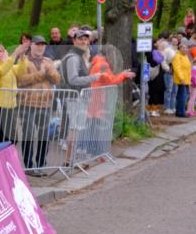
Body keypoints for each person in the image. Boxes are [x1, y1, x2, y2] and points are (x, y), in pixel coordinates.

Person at [15, 35, 60, 174]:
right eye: (37, 44)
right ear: (31, 45)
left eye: (43, 45)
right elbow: (21, 80)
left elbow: (57, 79)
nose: (40, 47)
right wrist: (42, 74)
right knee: (28, 134)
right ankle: (29, 166)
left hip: (45, 103)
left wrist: (50, 70)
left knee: (44, 136)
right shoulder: (23, 60)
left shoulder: (48, 61)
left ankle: (40, 164)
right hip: (27, 103)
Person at [60, 28, 103, 164]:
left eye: (85, 39)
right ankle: (70, 160)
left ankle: (70, 160)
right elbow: (73, 79)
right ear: (74, 41)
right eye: (80, 39)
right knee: (75, 128)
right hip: (75, 96)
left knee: (76, 128)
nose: (83, 41)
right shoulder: (73, 57)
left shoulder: (79, 56)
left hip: (78, 96)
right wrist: (93, 77)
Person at [85, 45, 134, 155]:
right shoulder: (103, 64)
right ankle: (94, 151)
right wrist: (123, 75)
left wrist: (122, 75)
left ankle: (91, 150)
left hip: (94, 96)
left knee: (92, 125)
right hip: (98, 98)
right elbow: (111, 80)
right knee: (96, 126)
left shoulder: (96, 62)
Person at [172, 41, 192, 118]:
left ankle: (179, 111)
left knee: (184, 96)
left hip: (186, 80)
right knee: (182, 97)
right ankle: (181, 112)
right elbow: (177, 68)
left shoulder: (186, 56)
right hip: (181, 80)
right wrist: (181, 78)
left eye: (186, 48)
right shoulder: (177, 56)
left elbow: (188, 69)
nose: (185, 49)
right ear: (179, 48)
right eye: (183, 48)